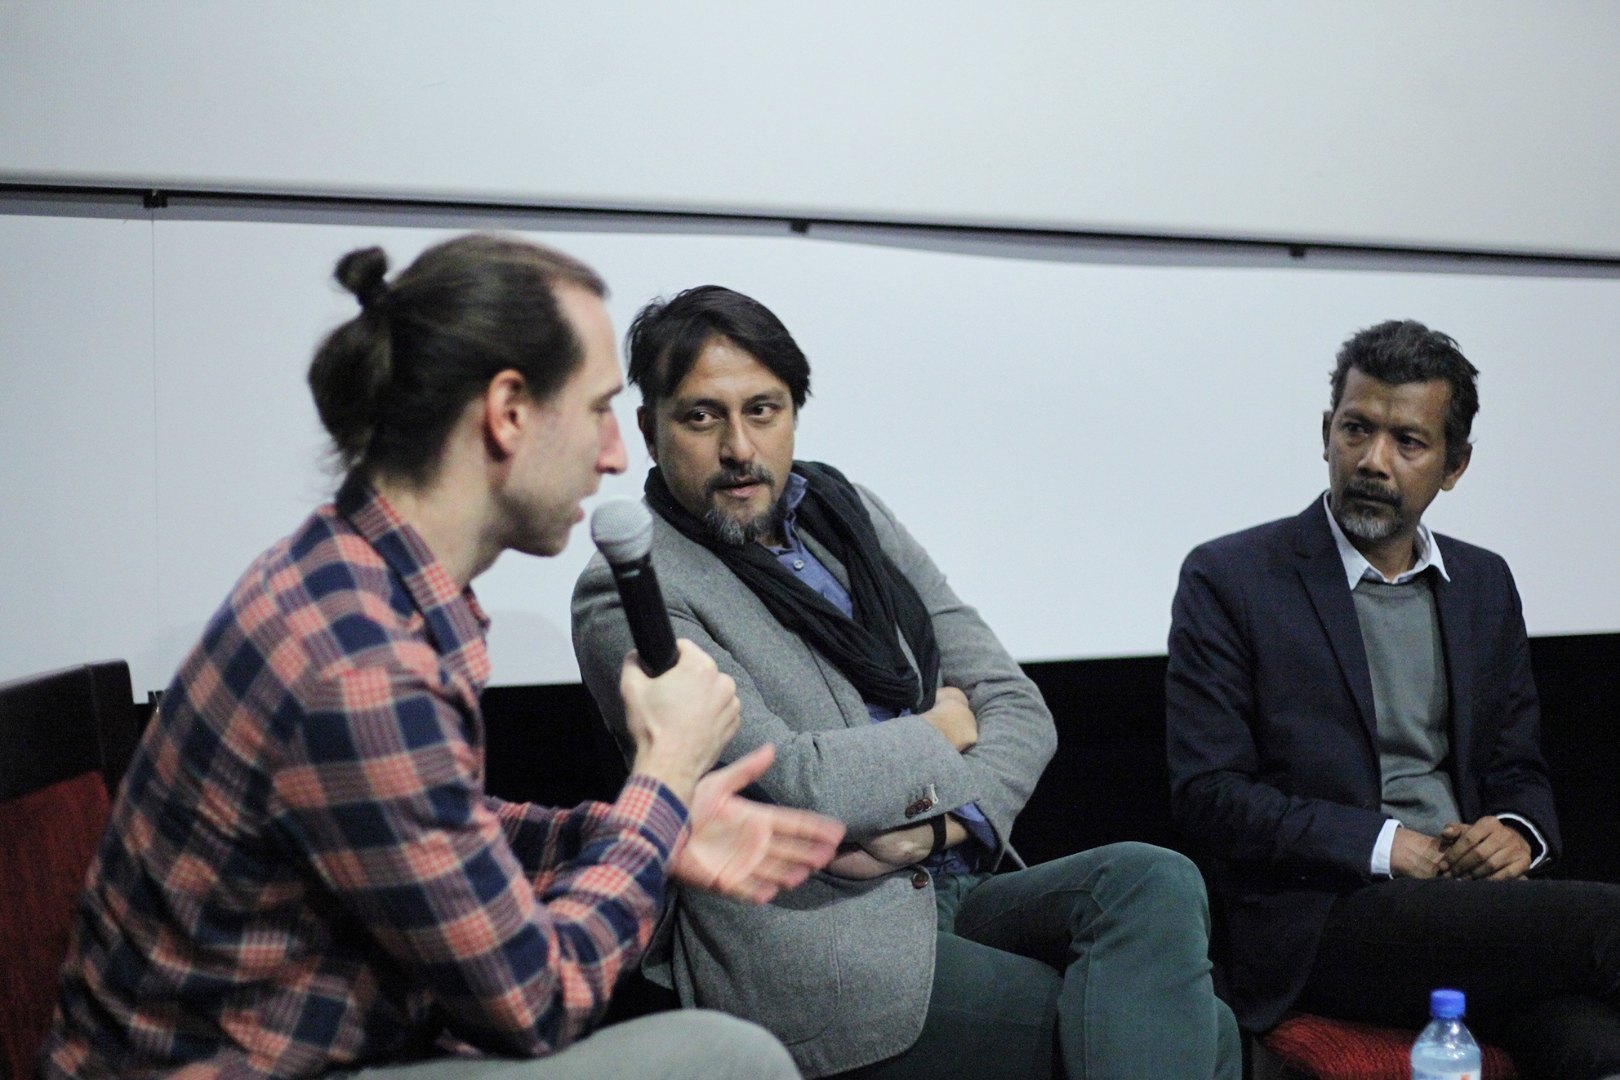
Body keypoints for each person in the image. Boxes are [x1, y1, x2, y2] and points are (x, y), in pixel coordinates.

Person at [42, 235, 844, 1080]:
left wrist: (642, 829)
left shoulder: (359, 576)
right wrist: (665, 779)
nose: (614, 454)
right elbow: (539, 1003)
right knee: (728, 1057)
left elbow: (440, 835)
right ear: (508, 412)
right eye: (599, 410)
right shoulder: (361, 665)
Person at [571, 285, 1240, 1080]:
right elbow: (799, 781)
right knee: (1205, 1034)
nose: (740, 447)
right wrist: (942, 728)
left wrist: (933, 834)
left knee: (1153, 878)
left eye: (763, 410)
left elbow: (1019, 707)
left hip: (947, 876)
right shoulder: (634, 591)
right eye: (701, 417)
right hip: (819, 940)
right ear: (649, 431)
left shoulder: (850, 515)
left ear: (793, 414)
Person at [1166, 319, 1620, 1080]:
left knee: (1593, 1046)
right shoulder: (1232, 578)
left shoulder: (1483, 583)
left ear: (1454, 465)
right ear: (1326, 432)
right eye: (1357, 429)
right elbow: (1209, 794)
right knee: (1608, 927)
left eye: (1408, 441)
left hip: (1470, 910)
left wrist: (1517, 833)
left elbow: (1518, 768)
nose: (1373, 460)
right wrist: (1383, 844)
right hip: (1328, 918)